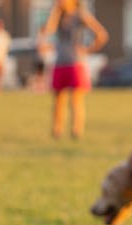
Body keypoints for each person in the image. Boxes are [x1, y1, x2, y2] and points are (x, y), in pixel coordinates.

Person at [37, 0, 108, 139]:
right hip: (59, 62)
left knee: (75, 100)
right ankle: (57, 131)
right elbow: (48, 30)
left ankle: (76, 131)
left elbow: (101, 34)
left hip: (75, 63)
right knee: (58, 100)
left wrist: (88, 50)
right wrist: (55, 12)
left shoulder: (80, 15)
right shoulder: (58, 16)